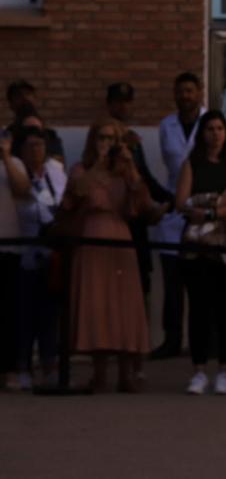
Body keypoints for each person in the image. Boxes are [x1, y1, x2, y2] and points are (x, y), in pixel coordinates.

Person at [59, 118, 156, 392]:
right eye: (102, 138)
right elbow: (75, 193)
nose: (107, 144)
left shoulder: (124, 171)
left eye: (112, 139)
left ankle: (127, 373)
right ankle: (98, 373)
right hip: (91, 236)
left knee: (122, 304)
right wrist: (100, 164)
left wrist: (131, 166)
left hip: (119, 236)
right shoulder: (82, 169)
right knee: (96, 304)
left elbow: (143, 204)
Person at [175, 110, 226, 395]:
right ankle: (199, 370)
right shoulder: (191, 162)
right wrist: (220, 204)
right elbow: (182, 202)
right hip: (197, 249)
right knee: (199, 310)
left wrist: (209, 210)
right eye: (209, 128)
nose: (214, 133)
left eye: (219, 128)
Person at [150, 72, 206, 360]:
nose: (185, 95)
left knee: (202, 283)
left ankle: (206, 343)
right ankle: (171, 340)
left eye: (189, 90)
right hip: (174, 209)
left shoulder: (214, 122)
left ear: (199, 92)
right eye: (180, 91)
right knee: (172, 282)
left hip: (204, 210)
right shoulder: (166, 126)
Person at [106, 82, 175, 301]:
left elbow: (145, 178)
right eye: (118, 102)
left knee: (139, 288)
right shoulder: (102, 138)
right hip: (112, 221)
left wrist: (171, 199)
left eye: (127, 103)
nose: (123, 108)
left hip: (136, 223)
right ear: (109, 105)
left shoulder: (134, 139)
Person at [12, 127, 67, 389]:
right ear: (21, 150)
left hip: (52, 252)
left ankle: (50, 365)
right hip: (26, 251)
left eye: (40, 145)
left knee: (50, 314)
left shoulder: (55, 172)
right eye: (31, 145)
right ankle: (23, 367)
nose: (37, 151)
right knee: (25, 314)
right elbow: (26, 198)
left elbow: (63, 202)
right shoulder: (16, 172)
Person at [0, 126, 31, 391]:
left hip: (10, 247)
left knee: (9, 313)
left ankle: (10, 369)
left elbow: (23, 189)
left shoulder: (15, 162)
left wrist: (6, 157)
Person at [6, 81, 64, 161]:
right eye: (18, 95)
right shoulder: (7, 136)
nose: (25, 98)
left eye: (28, 94)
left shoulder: (50, 135)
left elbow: (59, 164)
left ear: (35, 100)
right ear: (11, 104)